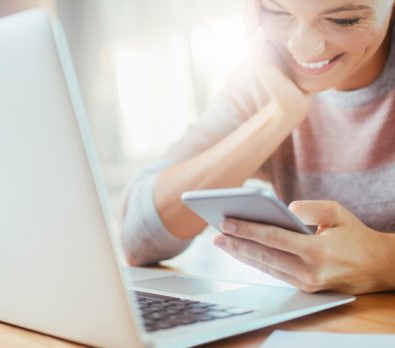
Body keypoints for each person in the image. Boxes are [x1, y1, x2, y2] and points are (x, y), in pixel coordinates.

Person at [121, 0, 395, 295]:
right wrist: (279, 115)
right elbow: (139, 237)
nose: (303, 48)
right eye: (278, 12)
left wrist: (382, 260)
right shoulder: (265, 78)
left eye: (345, 20)